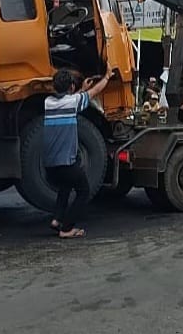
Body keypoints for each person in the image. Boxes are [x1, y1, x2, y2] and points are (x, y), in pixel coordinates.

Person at [44, 68, 113, 239]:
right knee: (83, 192)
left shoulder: (48, 102)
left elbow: (71, 100)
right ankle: (67, 228)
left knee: (65, 186)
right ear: (71, 87)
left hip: (50, 164)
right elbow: (95, 92)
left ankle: (57, 219)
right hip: (67, 162)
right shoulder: (72, 102)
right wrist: (107, 77)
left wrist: (81, 89)